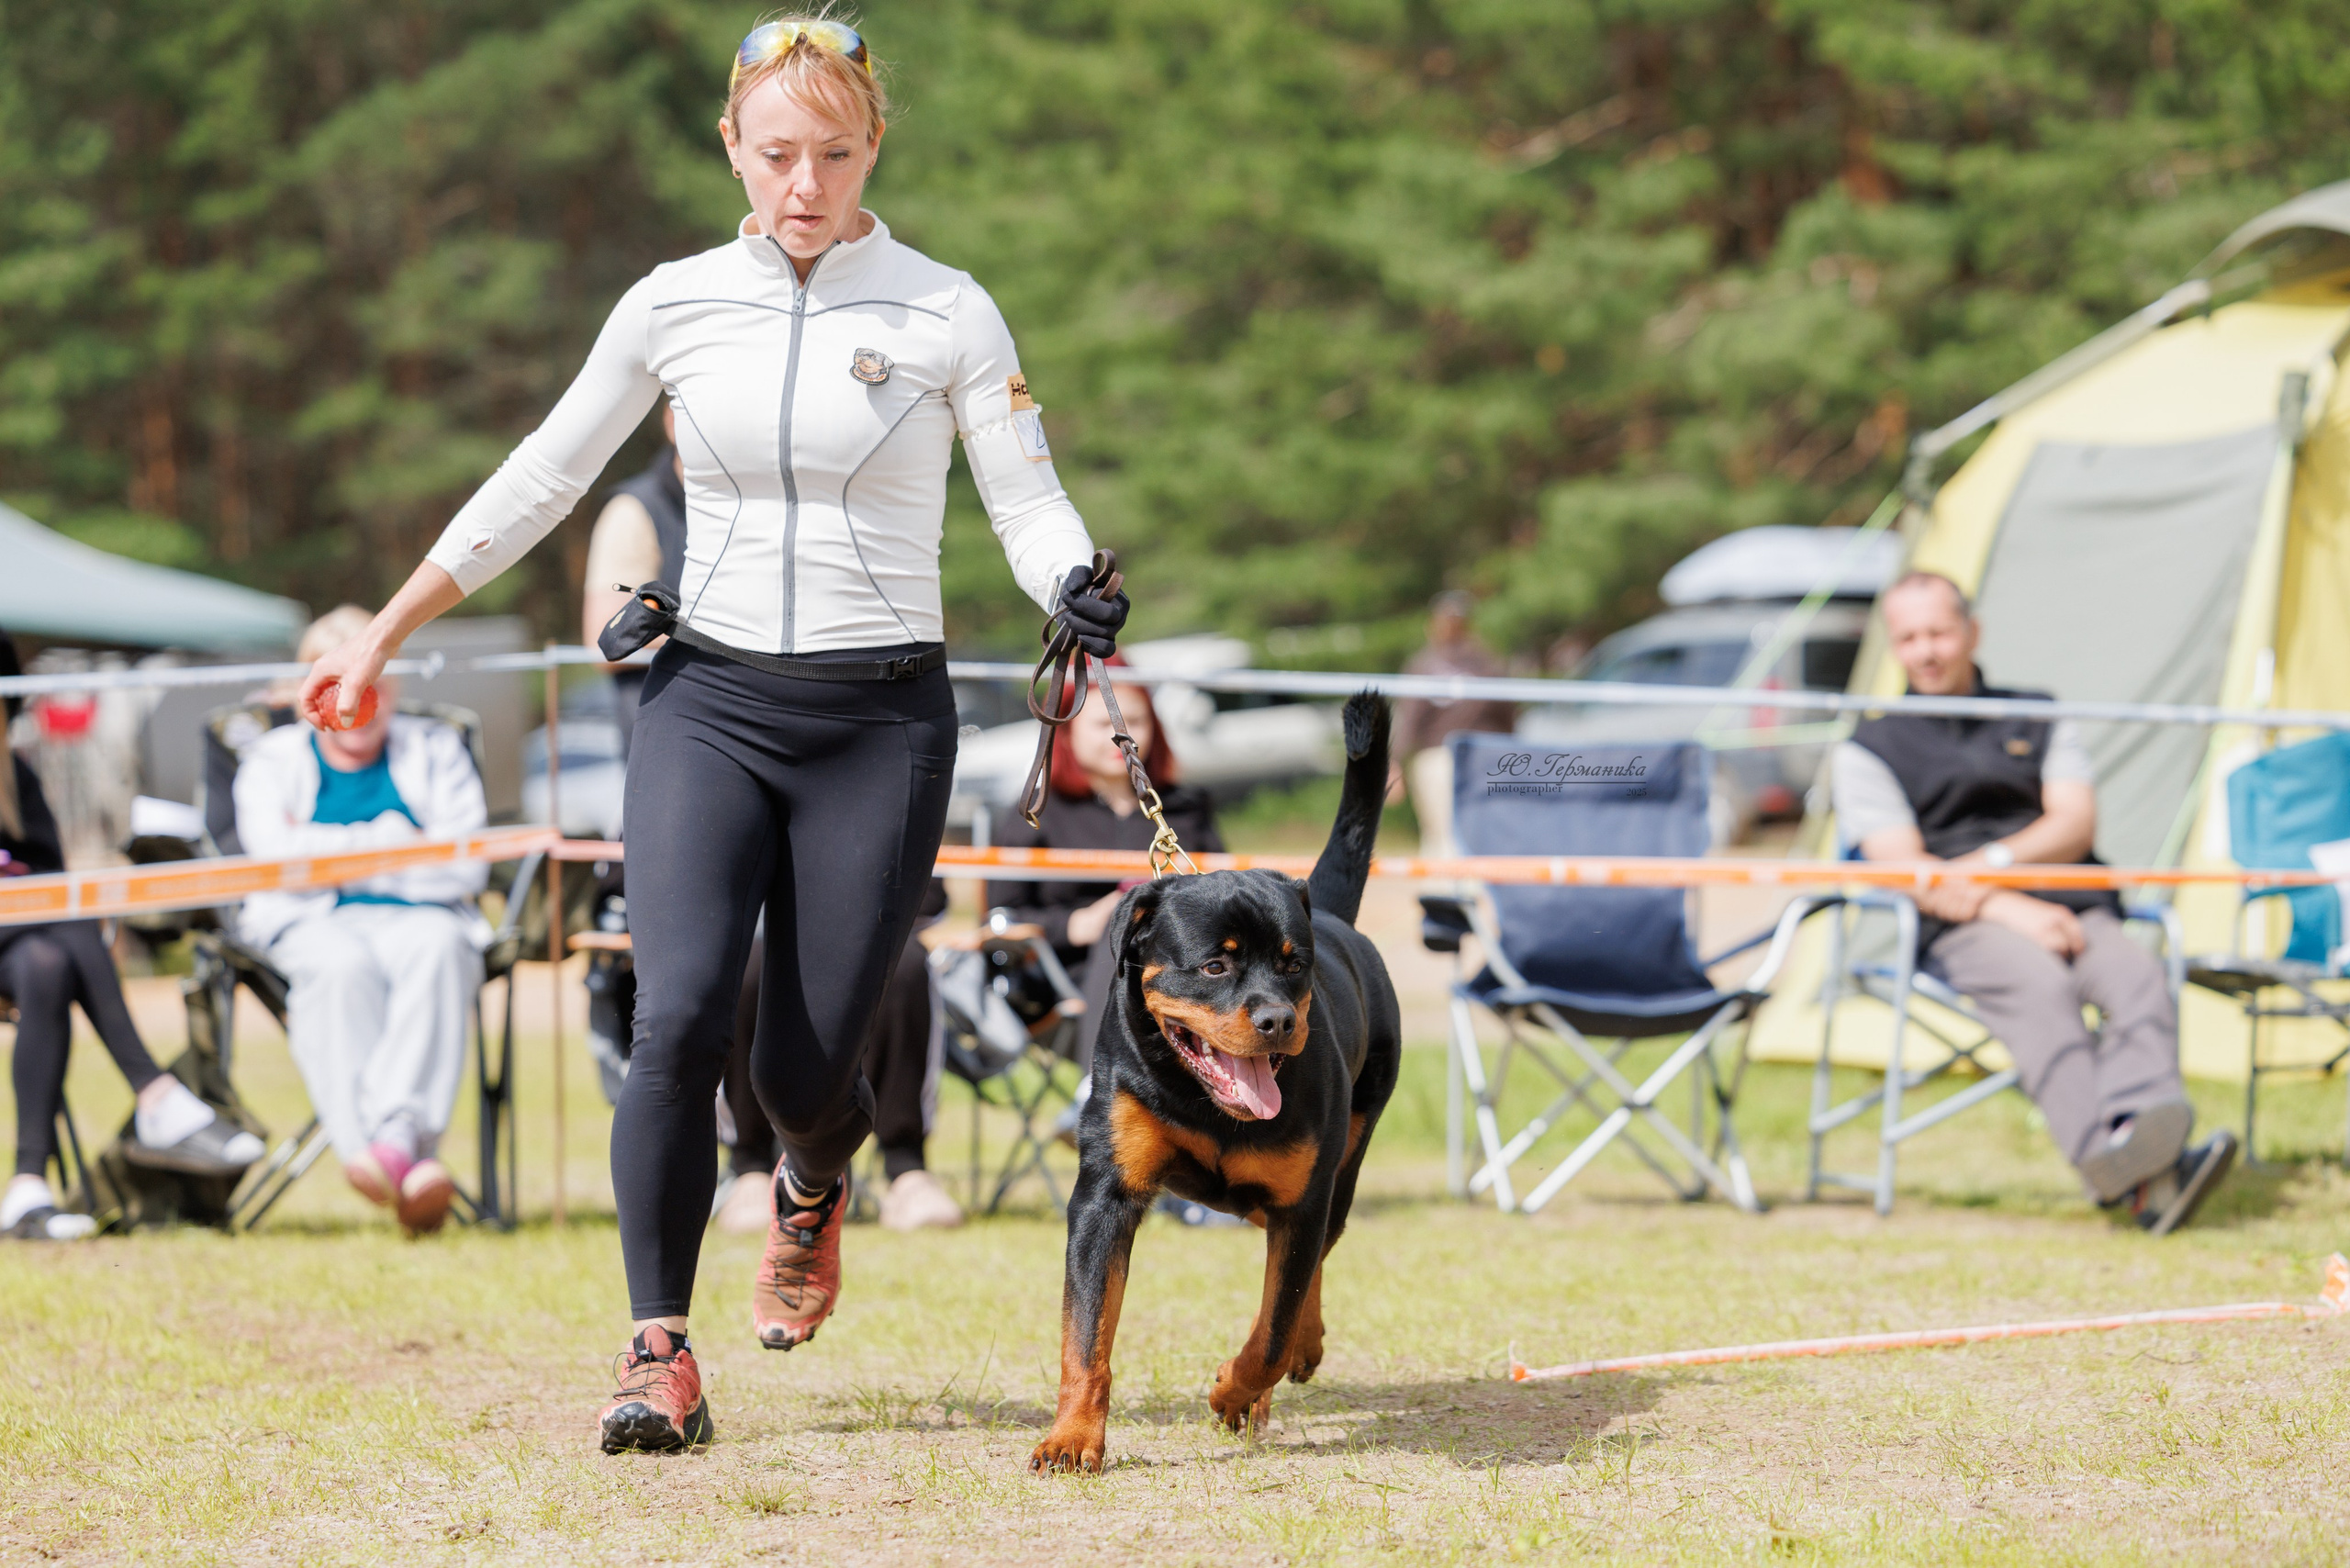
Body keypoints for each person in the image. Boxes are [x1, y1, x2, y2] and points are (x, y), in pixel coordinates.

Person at [299, 14, 1125, 1454]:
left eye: (837, 155)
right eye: (778, 153)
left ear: (876, 148)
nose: (806, 185)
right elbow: (545, 473)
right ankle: (656, 1353)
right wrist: (386, 630)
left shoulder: (945, 309)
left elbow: (1026, 495)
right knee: (676, 1013)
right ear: (731, 145)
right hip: (711, 702)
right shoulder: (672, 302)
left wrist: (1072, 580)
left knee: (805, 1073)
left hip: (879, 719)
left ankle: (812, 1181)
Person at [576, 431, 959, 1237]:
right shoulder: (642, 508)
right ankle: (748, 1165)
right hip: (700, 764)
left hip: (841, 758)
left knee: (902, 965)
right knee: (715, 983)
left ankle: (898, 1164)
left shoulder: (824, 476)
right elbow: (601, 637)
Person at [1833, 571, 2235, 1234]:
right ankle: (2119, 1167)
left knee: (2136, 974)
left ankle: (2145, 1152)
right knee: (2040, 987)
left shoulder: (2037, 712)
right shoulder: (1869, 746)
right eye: (1907, 638)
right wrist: (2007, 906)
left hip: (2074, 905)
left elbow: (2074, 823)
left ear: (1973, 632)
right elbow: (1904, 867)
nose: (1925, 651)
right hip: (1962, 927)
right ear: (1893, 646)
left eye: (1938, 632)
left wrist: (1987, 867)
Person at [0, 630, 263, 1241]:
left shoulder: (16, 779)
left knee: (47, 963)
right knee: (67, 921)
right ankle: (155, 1094)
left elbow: (49, 874)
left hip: (19, 947)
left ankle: (28, 1188)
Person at [236, 606, 490, 1237]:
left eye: (371, 683)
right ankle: (397, 1156)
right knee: (338, 964)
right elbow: (276, 865)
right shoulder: (269, 761)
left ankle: (389, 1148)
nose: (354, 702)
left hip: (423, 919)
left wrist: (324, 852)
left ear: (393, 685)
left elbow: (464, 869)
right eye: (335, 686)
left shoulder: (436, 748)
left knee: (438, 948)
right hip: (310, 924)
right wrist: (399, 840)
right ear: (308, 691)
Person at [988, 659, 1222, 1075]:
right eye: (1103, 724)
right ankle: (1101, 1090)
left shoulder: (1185, 807)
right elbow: (998, 921)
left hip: (1178, 971)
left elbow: (1222, 894)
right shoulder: (1037, 811)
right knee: (1121, 929)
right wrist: (1076, 924)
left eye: (1136, 721)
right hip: (1063, 976)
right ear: (1066, 730)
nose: (1122, 736)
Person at [1389, 590, 1515, 857]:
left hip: (1457, 757)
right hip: (1473, 756)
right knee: (1467, 834)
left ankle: (1448, 881)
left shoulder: (1431, 664)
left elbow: (1409, 720)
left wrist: (1395, 761)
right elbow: (1509, 716)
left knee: (1446, 836)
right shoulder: (1486, 662)